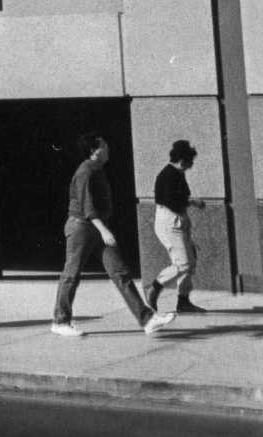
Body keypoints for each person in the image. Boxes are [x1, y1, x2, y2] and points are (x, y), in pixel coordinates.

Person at [52, 133, 174, 337]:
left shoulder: (97, 169)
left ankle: (147, 320)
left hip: (96, 227)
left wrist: (102, 228)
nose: (107, 148)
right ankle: (60, 321)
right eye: (104, 145)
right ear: (94, 151)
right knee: (71, 274)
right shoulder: (86, 171)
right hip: (82, 227)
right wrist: (104, 230)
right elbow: (87, 206)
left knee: (120, 273)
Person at [145, 139, 207, 316]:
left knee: (190, 261)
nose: (190, 166)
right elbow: (169, 200)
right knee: (183, 264)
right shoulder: (167, 175)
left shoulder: (177, 174)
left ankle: (183, 301)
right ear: (182, 160)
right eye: (189, 163)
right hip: (169, 221)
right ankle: (155, 286)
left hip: (178, 220)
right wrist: (192, 202)